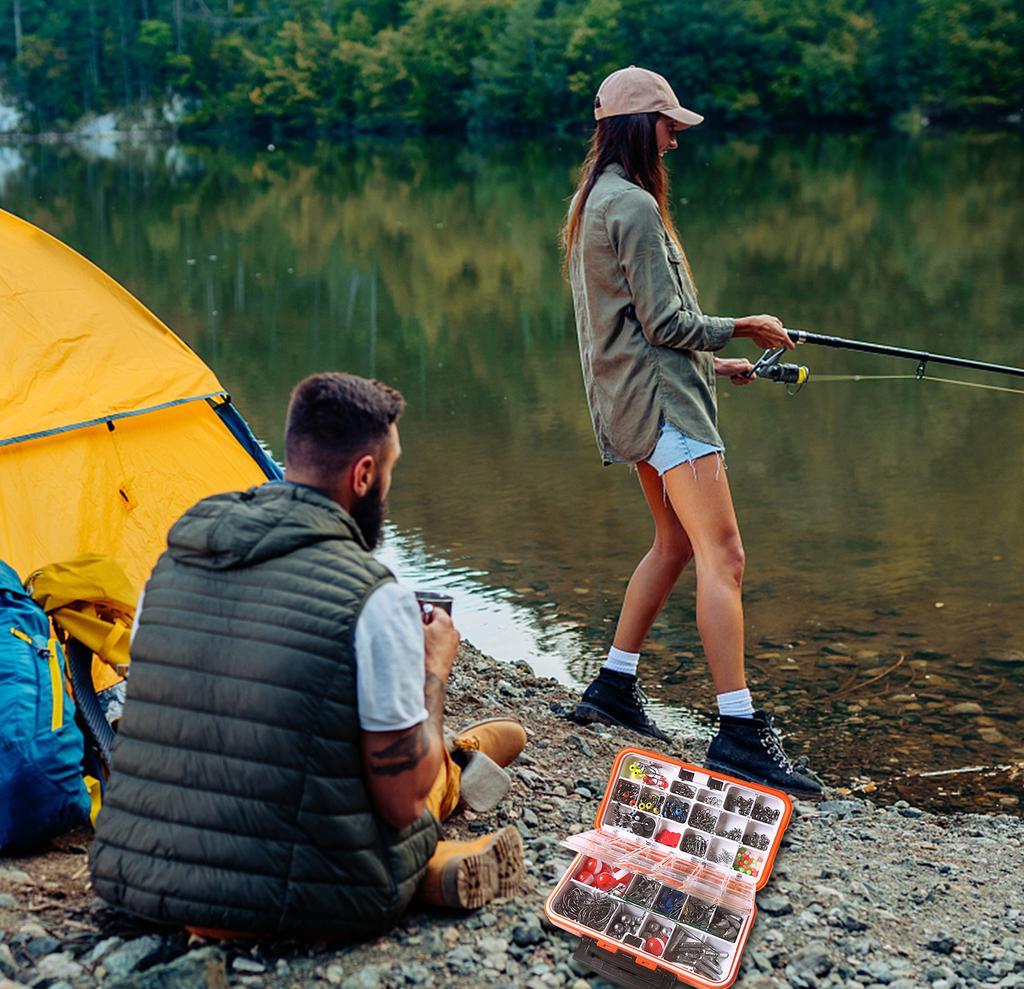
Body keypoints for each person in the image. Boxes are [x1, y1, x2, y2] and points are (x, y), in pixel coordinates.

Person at [89, 372, 527, 939]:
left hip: (137, 876)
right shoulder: (374, 597)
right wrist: (433, 672)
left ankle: (459, 763)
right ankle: (454, 769)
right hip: (290, 899)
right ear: (364, 474)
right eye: (389, 472)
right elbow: (400, 802)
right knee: (414, 790)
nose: (387, 491)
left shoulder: (172, 562)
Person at [563, 66, 822, 798]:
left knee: (676, 544)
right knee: (725, 555)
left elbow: (636, 329)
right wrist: (746, 324)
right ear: (640, 125)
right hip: (665, 408)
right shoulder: (635, 207)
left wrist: (717, 359)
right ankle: (738, 733)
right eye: (669, 124)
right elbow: (666, 323)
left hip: (635, 401)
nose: (676, 137)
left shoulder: (597, 200)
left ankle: (613, 685)